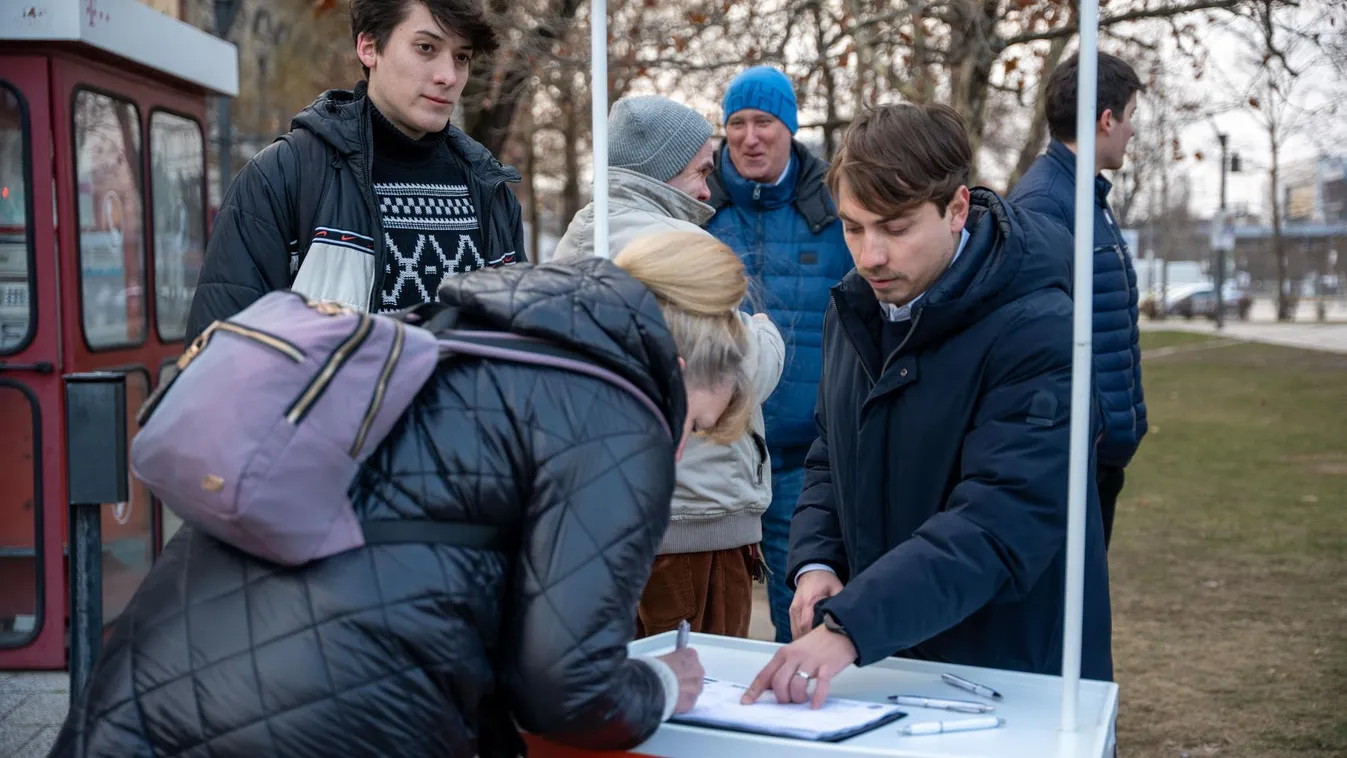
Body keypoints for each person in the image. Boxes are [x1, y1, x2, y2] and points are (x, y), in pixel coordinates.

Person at [50, 233, 762, 757]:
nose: (678, 449)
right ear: (674, 369)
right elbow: (565, 689)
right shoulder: (621, 415)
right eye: (695, 425)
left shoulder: (473, 334)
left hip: (148, 685)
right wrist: (660, 685)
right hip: (326, 719)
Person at [742, 104, 1112, 709]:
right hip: (890, 663)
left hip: (1011, 677)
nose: (870, 255)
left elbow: (1000, 517)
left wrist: (852, 626)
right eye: (853, 227)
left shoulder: (1040, 329)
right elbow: (830, 454)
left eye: (895, 228)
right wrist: (816, 562)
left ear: (957, 209)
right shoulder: (854, 309)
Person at [552, 97, 786, 638]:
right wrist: (763, 331)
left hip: (604, 522)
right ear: (662, 170)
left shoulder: (578, 238)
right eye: (701, 172)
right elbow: (735, 374)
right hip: (695, 524)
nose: (707, 192)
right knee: (703, 681)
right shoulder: (678, 247)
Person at [184, 0, 526, 344]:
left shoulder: (490, 190)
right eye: (426, 48)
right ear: (369, 47)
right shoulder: (283, 176)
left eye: (461, 57)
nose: (448, 76)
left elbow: (521, 348)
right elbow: (221, 355)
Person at [705, 65, 852, 643]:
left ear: (789, 127)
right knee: (712, 609)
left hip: (805, 452)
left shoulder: (836, 205)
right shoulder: (698, 204)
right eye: (736, 124)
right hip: (717, 448)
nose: (749, 137)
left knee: (803, 606)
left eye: (763, 122)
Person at [1009, 52, 1147, 550]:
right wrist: (1086, 425)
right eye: (1130, 116)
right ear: (1107, 119)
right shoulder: (1045, 202)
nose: (1132, 130)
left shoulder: (1087, 197)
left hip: (1098, 457)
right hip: (1072, 456)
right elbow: (1031, 337)